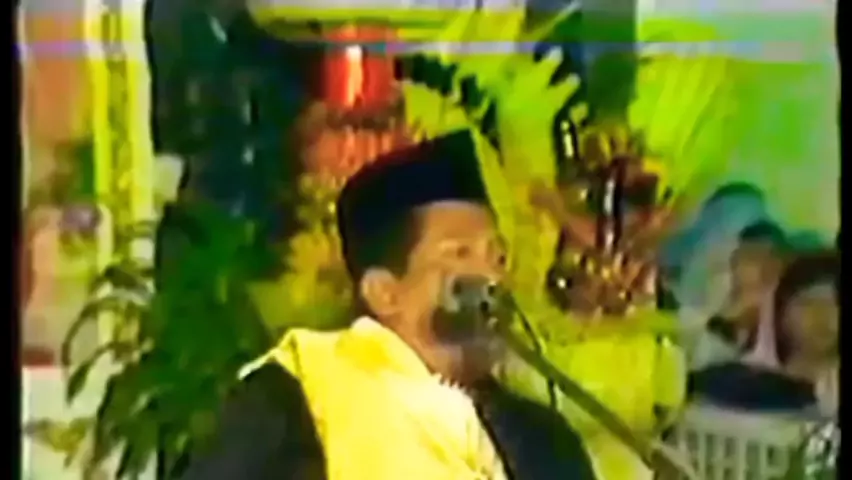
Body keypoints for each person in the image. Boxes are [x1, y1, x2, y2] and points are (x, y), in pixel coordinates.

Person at [181, 130, 596, 479]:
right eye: (460, 254)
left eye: (498, 257)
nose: (491, 276)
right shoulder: (296, 399)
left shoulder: (542, 439)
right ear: (384, 292)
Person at [689, 250, 839, 414]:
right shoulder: (733, 383)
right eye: (808, 303)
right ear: (781, 311)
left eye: (836, 304)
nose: (824, 316)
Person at [689, 221, 788, 370]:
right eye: (753, 258)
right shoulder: (713, 311)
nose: (765, 268)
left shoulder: (788, 312)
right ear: (735, 264)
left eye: (772, 259)